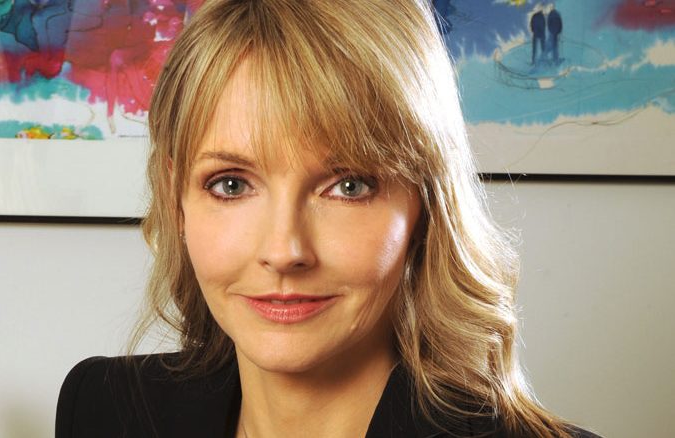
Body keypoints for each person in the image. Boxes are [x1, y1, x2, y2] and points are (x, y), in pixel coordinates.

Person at [56, 1, 601, 437]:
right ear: (176, 197)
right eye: (231, 184)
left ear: (425, 206)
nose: (284, 251)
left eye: (348, 186)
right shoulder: (103, 409)